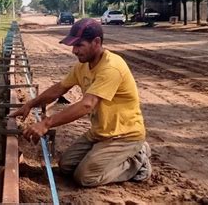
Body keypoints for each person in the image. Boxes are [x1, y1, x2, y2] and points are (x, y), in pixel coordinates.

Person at [10, 18, 151, 187]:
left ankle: (138, 160)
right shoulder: (82, 66)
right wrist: (30, 104)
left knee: (85, 177)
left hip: (124, 136)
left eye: (79, 45)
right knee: (66, 166)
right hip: (100, 133)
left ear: (96, 42)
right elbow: (59, 89)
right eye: (73, 46)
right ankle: (107, 156)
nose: (74, 51)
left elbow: (87, 105)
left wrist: (46, 124)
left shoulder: (111, 67)